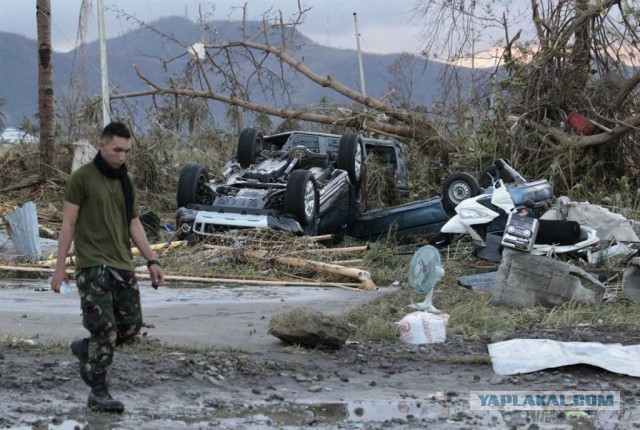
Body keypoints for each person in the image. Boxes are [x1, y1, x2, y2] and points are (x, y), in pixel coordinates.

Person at [51, 121, 164, 413]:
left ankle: (84, 349)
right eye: (117, 150)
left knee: (129, 327)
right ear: (102, 145)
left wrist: (152, 259)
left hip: (122, 264)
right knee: (104, 330)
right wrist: (60, 266)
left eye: (127, 151)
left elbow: (133, 223)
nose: (122, 156)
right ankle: (98, 392)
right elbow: (68, 223)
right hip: (92, 267)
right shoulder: (82, 178)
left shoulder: (126, 182)